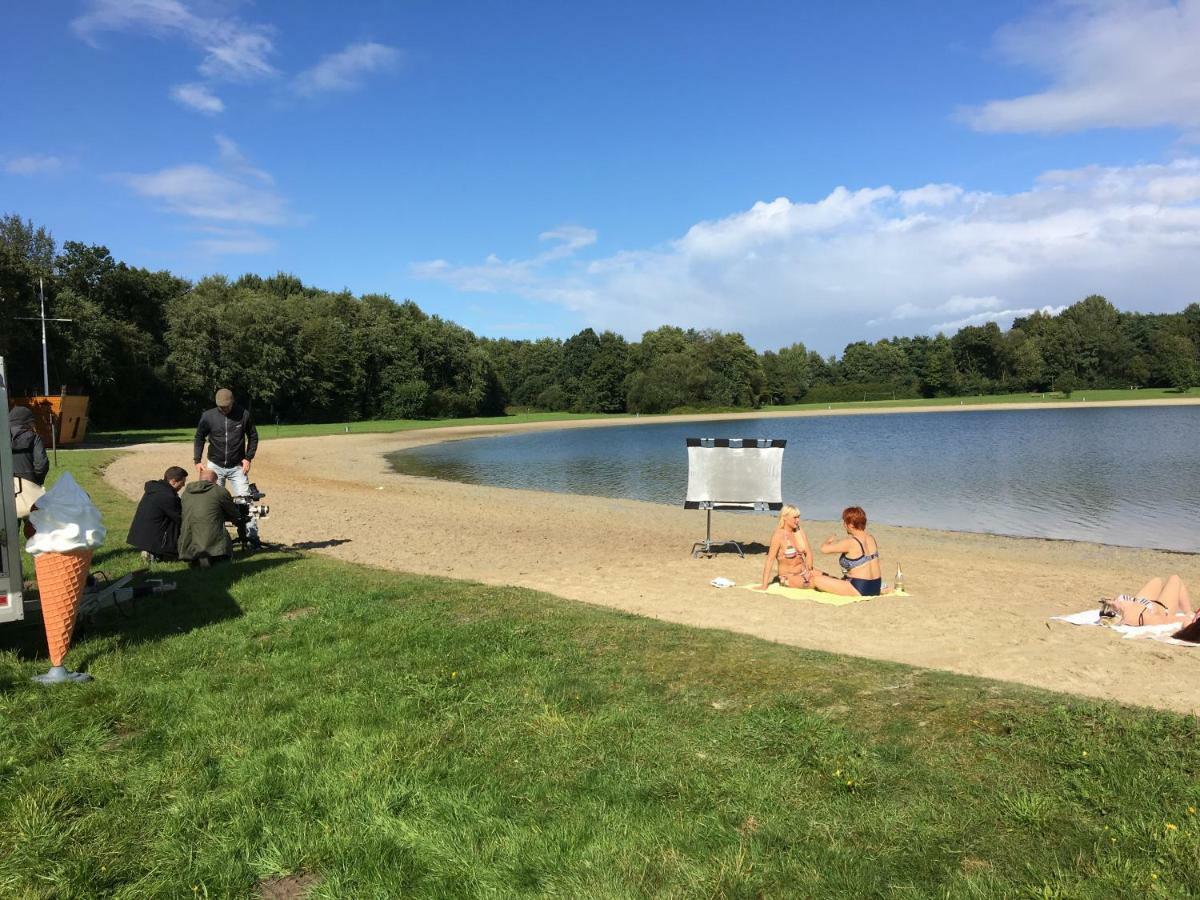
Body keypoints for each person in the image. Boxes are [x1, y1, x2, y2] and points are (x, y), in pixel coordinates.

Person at [193, 387, 260, 548]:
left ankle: (253, 538)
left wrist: (248, 458)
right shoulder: (208, 416)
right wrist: (197, 460)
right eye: (221, 407)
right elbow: (199, 437)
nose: (224, 409)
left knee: (247, 501)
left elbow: (253, 436)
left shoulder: (244, 414)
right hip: (215, 466)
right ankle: (217, 539)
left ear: (232, 402)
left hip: (237, 466)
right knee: (213, 502)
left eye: (227, 407)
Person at [809, 506, 888, 597]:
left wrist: (828, 541)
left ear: (850, 525)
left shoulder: (850, 542)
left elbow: (824, 549)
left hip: (860, 588)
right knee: (821, 574)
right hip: (876, 586)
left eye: (844, 522)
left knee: (816, 580)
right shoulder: (871, 538)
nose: (844, 525)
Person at [178, 469, 242, 566]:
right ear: (214, 480)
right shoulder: (219, 491)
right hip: (212, 543)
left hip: (189, 543)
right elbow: (234, 514)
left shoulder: (186, 492)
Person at [126, 466, 187, 561]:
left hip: (140, 535)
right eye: (182, 483)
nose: (183, 486)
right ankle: (153, 552)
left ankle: (150, 550)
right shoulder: (168, 496)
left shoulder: (155, 489)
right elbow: (181, 518)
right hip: (153, 538)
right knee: (180, 523)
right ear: (173, 481)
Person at [754, 505, 814, 590]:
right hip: (788, 577)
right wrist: (764, 585)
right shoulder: (778, 535)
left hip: (804, 572)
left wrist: (809, 570)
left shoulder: (799, 531)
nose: (798, 520)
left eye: (798, 517)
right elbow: (770, 560)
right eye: (795, 517)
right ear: (785, 517)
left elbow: (808, 553)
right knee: (817, 581)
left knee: (827, 577)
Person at [1098, 576, 1193, 627]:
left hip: (1142, 602)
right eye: (1111, 603)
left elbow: (1108, 608)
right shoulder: (1139, 617)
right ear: (1116, 611)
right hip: (1162, 609)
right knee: (1174, 579)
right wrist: (1186, 618)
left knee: (1157, 580)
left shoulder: (1121, 605)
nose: (1110, 600)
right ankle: (1189, 612)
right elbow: (1163, 620)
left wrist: (1110, 601)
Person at [9, 405, 49, 487]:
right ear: (28, 422)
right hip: (30, 485)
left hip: (6, 487)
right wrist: (37, 482)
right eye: (32, 422)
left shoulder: (3, 439)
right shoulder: (34, 437)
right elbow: (41, 464)